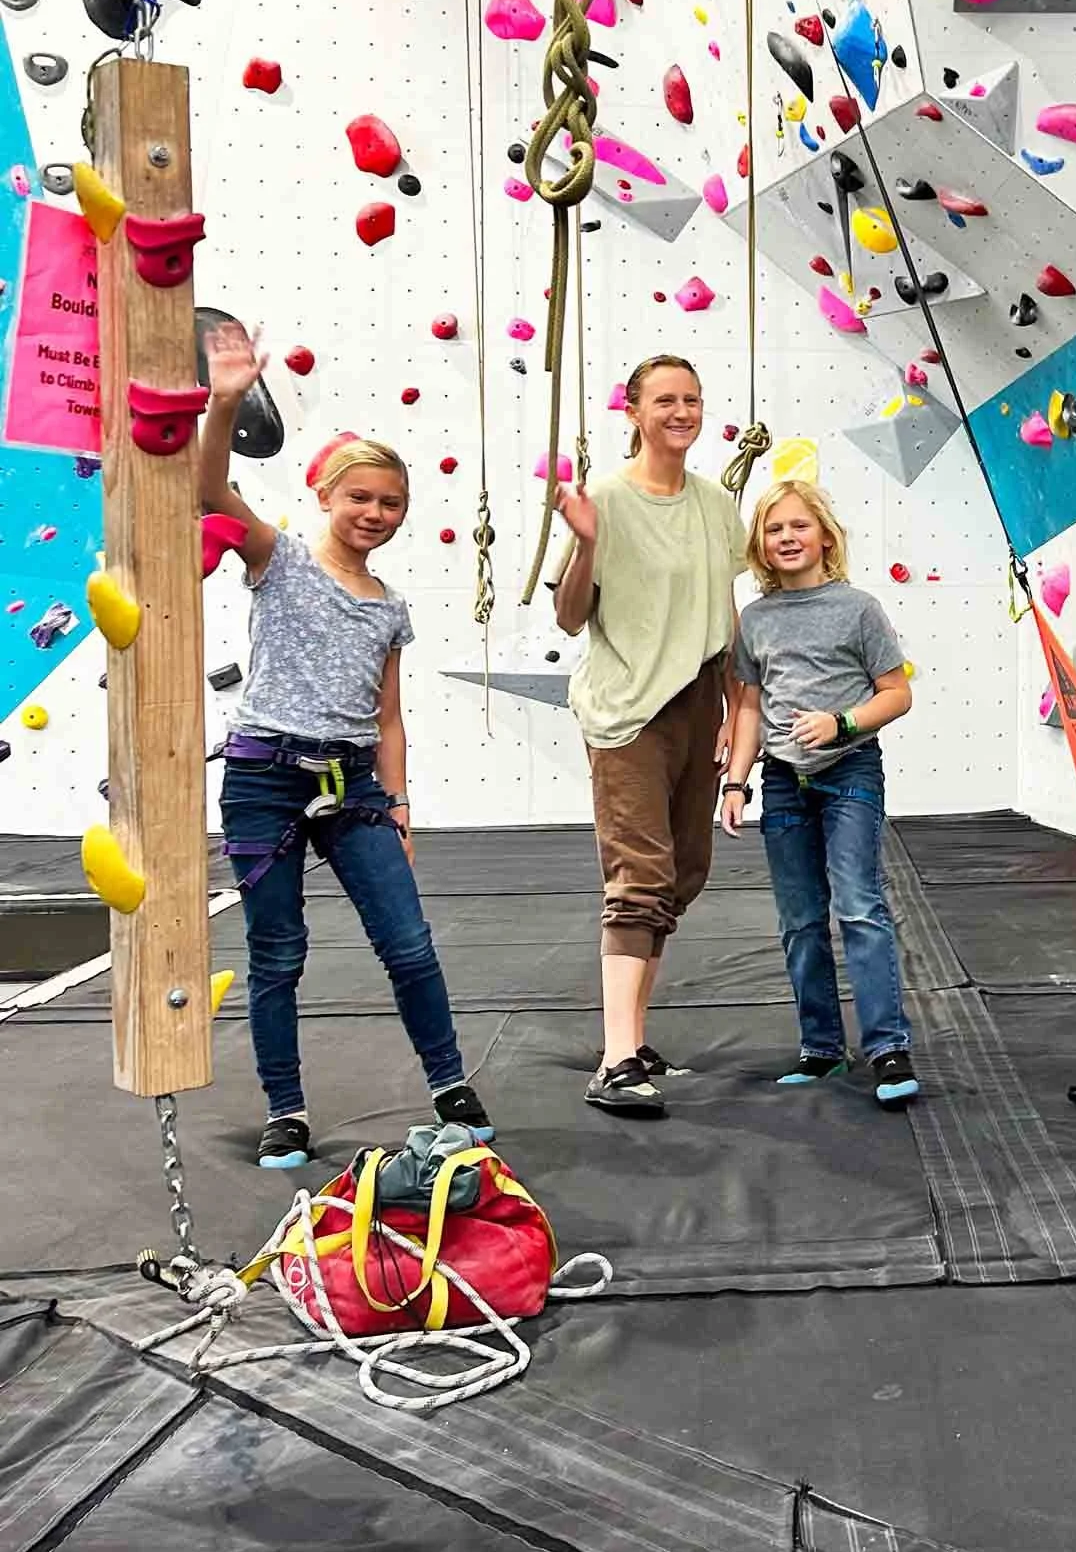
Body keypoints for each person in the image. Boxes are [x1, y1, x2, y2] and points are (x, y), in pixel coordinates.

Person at [199, 330, 490, 1169]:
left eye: (390, 504)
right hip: (265, 776)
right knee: (279, 950)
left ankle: (449, 1084)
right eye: (358, 497)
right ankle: (285, 1107)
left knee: (408, 942)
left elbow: (389, 715)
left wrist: (397, 804)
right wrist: (226, 399)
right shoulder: (279, 559)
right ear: (322, 494)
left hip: (354, 778)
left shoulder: (392, 604)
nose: (374, 514)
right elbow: (210, 485)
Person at [554, 354, 746, 1117]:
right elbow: (570, 616)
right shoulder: (604, 497)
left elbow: (724, 612)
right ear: (632, 411)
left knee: (682, 875)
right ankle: (615, 1059)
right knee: (639, 879)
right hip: (630, 709)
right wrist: (587, 543)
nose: (682, 411)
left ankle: (634, 1040)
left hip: (698, 702)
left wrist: (736, 710)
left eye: (693, 398)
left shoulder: (713, 504)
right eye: (665, 399)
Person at [721, 480, 919, 1109]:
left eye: (799, 526)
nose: (787, 538)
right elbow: (749, 706)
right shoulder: (755, 620)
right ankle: (822, 1048)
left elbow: (896, 693)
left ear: (825, 537)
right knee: (800, 920)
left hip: (850, 771)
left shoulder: (858, 609)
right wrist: (736, 779)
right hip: (783, 781)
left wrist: (843, 723)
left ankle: (887, 1045)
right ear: (760, 545)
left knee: (859, 905)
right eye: (775, 530)